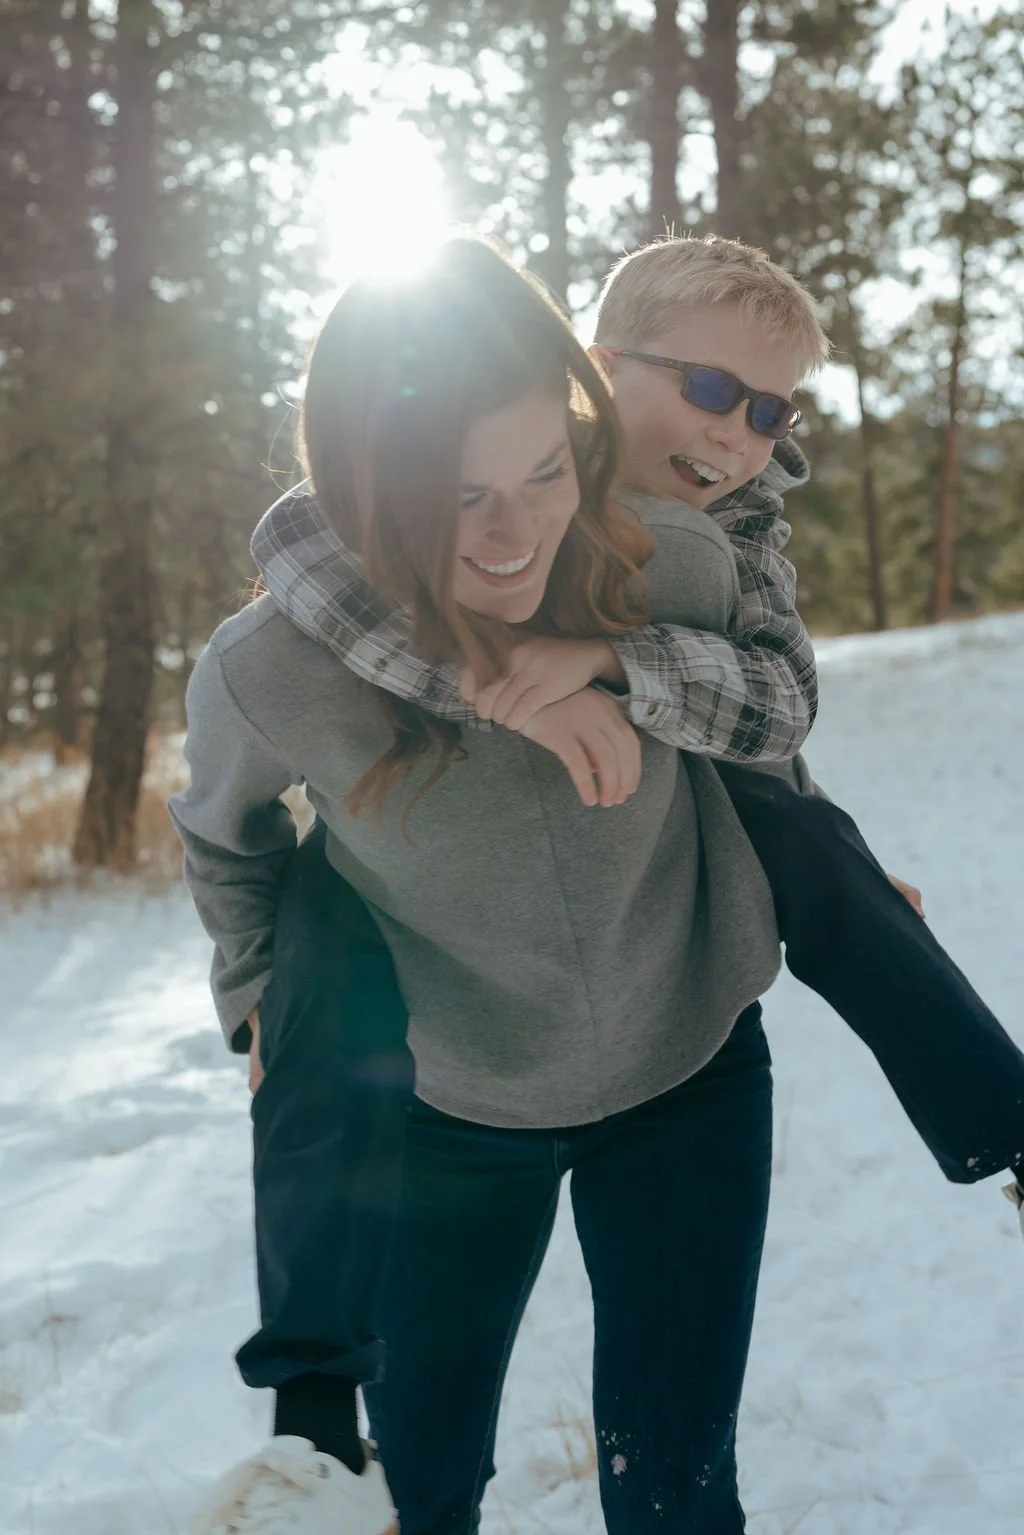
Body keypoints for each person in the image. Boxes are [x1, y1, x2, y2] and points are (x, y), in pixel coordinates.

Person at [173, 236, 1024, 1535]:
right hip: (445, 1107)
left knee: (677, 1482)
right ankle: (317, 1423)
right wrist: (254, 1002)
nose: (513, 531)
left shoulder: (675, 559)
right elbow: (229, 836)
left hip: (687, 1064)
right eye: (461, 494)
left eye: (541, 476)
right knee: (425, 1476)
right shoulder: (271, 664)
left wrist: (628, 678)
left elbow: (767, 720)